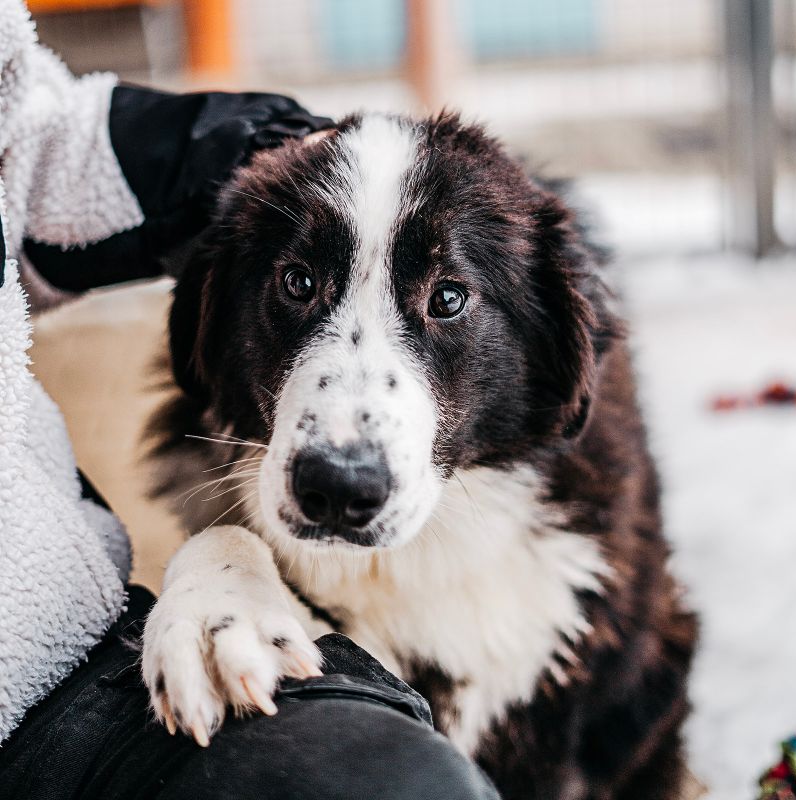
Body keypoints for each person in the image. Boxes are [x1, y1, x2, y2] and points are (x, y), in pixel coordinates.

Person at [0, 3, 499, 798]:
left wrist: (267, 152)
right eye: (298, 284)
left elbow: (30, 143)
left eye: (443, 300)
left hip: (47, 677)